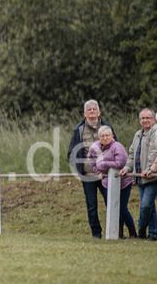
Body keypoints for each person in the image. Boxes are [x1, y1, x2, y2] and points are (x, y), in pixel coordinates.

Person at [67, 100, 115, 239]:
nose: (92, 111)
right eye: (89, 109)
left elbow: (116, 147)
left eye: (94, 109)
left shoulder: (107, 127)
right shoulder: (79, 130)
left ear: (99, 112)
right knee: (92, 206)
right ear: (85, 113)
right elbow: (71, 152)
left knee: (111, 203)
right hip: (88, 175)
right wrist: (78, 169)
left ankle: (115, 231)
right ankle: (96, 234)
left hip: (105, 174)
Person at [88, 125, 136, 238]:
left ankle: (132, 232)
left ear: (112, 136)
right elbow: (90, 159)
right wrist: (97, 171)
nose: (105, 138)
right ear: (99, 138)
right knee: (112, 208)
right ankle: (118, 233)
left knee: (122, 208)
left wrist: (103, 165)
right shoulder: (94, 147)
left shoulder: (117, 147)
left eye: (107, 135)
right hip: (107, 182)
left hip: (124, 181)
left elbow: (120, 163)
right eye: (102, 136)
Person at [125, 108, 157, 240]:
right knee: (150, 208)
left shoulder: (155, 132)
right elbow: (132, 154)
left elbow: (154, 152)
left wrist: (150, 169)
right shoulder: (138, 134)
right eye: (143, 118)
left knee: (145, 206)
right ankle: (153, 233)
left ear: (154, 119)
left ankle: (141, 230)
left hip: (151, 177)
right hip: (139, 177)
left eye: (148, 118)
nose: (145, 120)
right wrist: (127, 168)